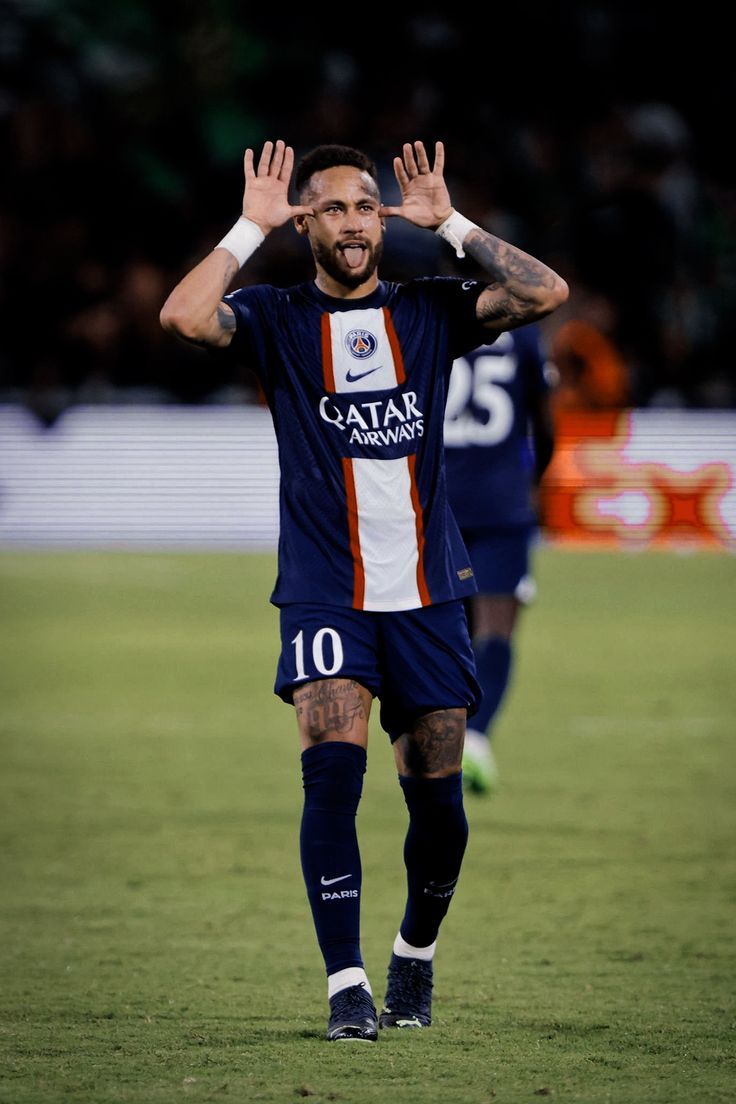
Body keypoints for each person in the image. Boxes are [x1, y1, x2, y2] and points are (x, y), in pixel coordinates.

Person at [160, 138, 568, 1042]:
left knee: (439, 804)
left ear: (382, 219)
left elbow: (546, 295)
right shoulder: (271, 313)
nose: (354, 223)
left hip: (426, 590)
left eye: (365, 207)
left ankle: (413, 956)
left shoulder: (433, 310)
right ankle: (346, 987)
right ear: (305, 221)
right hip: (324, 590)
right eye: (334, 208)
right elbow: (184, 318)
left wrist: (451, 222)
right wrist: (246, 228)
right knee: (331, 778)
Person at [443, 325, 556, 794]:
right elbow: (545, 426)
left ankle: (441, 738)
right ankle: (476, 736)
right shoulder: (523, 333)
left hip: (435, 499)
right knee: (496, 629)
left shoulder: (423, 315)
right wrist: (529, 484)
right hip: (501, 503)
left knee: (447, 627)